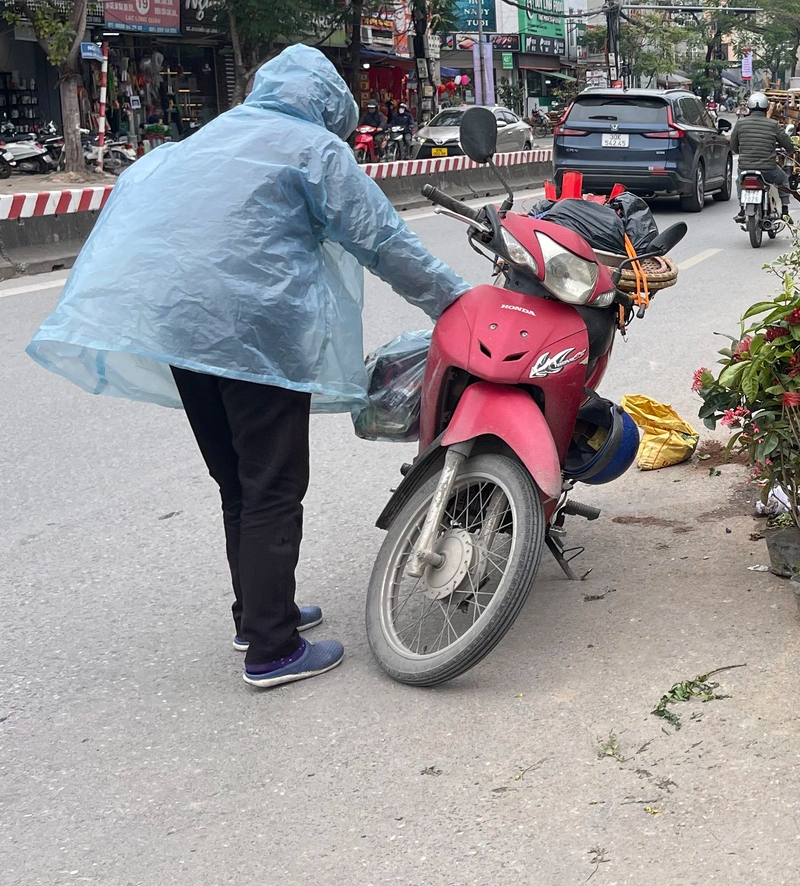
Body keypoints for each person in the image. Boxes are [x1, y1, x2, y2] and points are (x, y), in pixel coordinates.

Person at [27, 45, 469, 691]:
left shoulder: (207, 140)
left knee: (236, 479)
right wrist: (455, 301)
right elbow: (382, 240)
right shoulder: (313, 149)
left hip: (185, 336)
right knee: (273, 484)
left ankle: (258, 612)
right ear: (324, 105)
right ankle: (273, 649)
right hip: (257, 336)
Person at [729, 91, 795, 217]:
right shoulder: (773, 124)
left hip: (745, 167)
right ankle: (785, 209)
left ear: (749, 107)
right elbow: (787, 142)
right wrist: (790, 150)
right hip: (768, 168)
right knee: (783, 179)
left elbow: (733, 145)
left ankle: (742, 207)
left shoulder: (740, 123)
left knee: (739, 181)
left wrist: (740, 152)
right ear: (767, 108)